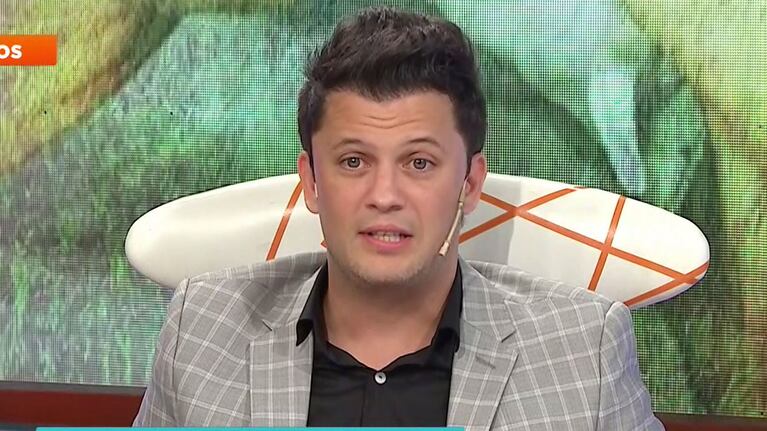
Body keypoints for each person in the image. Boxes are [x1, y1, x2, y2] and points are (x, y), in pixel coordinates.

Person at [133, 6, 664, 430]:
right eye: (353, 162)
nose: (384, 195)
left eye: (419, 163)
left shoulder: (584, 350)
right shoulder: (202, 330)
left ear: (469, 184)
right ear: (312, 183)